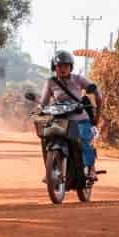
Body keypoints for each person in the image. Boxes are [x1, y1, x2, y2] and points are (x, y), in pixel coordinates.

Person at [37, 50, 101, 179]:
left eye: (66, 65)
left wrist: (98, 109)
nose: (62, 69)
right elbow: (43, 101)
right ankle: (49, 169)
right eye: (59, 66)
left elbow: (96, 90)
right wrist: (39, 109)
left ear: (70, 67)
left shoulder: (78, 79)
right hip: (59, 119)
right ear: (54, 67)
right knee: (47, 137)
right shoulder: (50, 82)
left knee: (85, 140)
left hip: (80, 118)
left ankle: (91, 169)